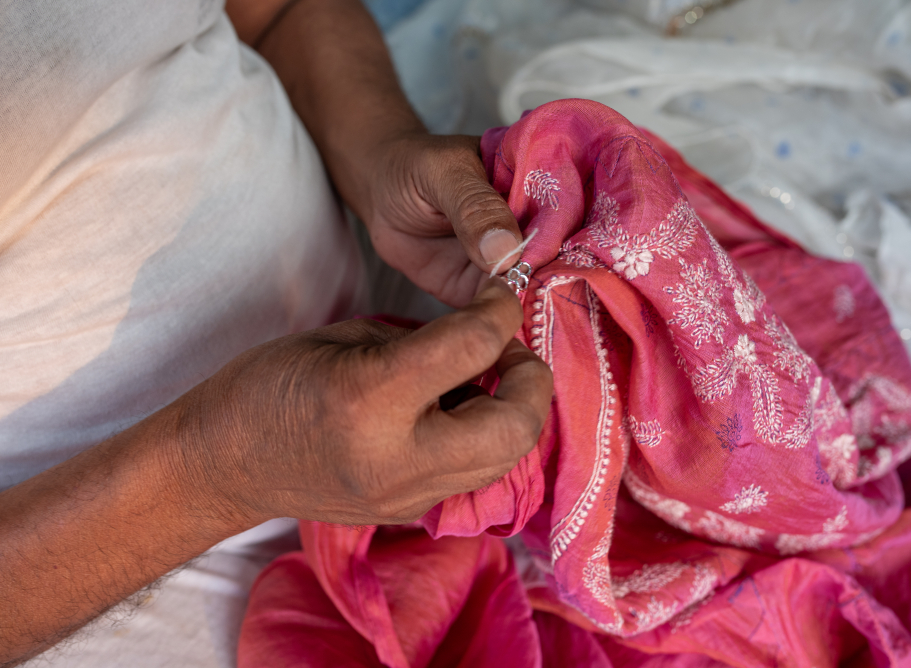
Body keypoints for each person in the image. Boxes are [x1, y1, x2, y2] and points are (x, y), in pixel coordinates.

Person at [0, 0, 554, 665]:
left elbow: (272, 10)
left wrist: (379, 154)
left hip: (391, 282)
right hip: (125, 593)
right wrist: (217, 473)